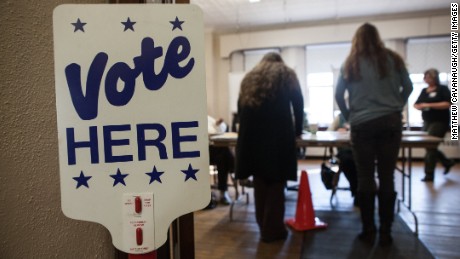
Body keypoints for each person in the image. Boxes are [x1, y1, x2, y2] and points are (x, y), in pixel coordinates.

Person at [335, 23, 413, 246]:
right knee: (387, 176)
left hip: (361, 125)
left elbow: (339, 94)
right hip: (390, 122)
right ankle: (386, 233)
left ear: (356, 40)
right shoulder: (393, 59)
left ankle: (368, 230)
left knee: (366, 177)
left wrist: (349, 115)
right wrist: (397, 104)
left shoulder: (350, 63)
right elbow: (408, 86)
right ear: (378, 37)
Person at [235, 52, 304, 243]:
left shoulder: (250, 77)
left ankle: (263, 226)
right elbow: (298, 103)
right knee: (276, 180)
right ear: (279, 61)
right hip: (278, 132)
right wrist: (298, 131)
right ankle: (273, 230)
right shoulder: (286, 74)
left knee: (260, 180)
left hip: (252, 135)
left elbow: (240, 107)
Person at [414, 68, 455, 182]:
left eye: (429, 77)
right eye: (425, 77)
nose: (426, 79)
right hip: (427, 121)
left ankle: (429, 174)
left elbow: (447, 103)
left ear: (434, 77)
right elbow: (416, 104)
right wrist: (420, 106)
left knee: (431, 147)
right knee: (428, 146)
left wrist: (429, 105)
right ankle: (447, 162)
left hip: (440, 121)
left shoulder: (443, 89)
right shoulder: (424, 90)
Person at [328, 113, 358, 206]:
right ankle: (356, 190)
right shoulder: (340, 117)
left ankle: (357, 190)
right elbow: (329, 131)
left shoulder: (363, 114)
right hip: (344, 151)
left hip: (360, 150)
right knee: (345, 161)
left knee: (355, 161)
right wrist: (337, 131)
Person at [208, 116, 234, 205]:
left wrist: (217, 124)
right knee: (224, 153)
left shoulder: (207, 118)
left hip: (214, 150)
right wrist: (215, 126)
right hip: (201, 152)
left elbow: (223, 128)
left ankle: (223, 191)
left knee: (223, 155)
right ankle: (236, 171)